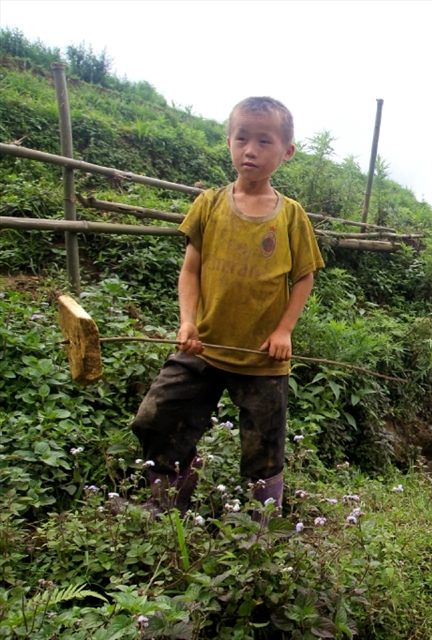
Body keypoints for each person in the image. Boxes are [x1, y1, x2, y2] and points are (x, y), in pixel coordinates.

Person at [128, 96, 324, 518]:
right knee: (156, 418)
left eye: (264, 141)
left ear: (286, 152)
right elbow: (190, 271)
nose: (250, 149)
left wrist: (283, 331)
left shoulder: (291, 217)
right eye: (241, 138)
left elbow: (304, 277)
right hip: (203, 347)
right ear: (229, 141)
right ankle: (168, 498)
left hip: (262, 359)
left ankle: (260, 525)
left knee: (264, 447)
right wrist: (188, 323)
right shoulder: (209, 204)